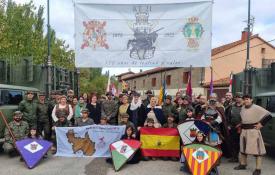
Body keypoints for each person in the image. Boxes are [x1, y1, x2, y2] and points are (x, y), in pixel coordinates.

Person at [234, 94, 272, 175]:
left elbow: (269, 115)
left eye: (247, 99)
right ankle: (243, 164)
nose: (246, 101)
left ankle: (258, 169)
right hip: (244, 131)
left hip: (253, 131)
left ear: (251, 100)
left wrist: (261, 124)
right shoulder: (243, 108)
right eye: (244, 99)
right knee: (243, 149)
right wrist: (240, 124)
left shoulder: (256, 107)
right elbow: (245, 118)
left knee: (257, 151)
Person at [226, 92, 243, 162]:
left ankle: (242, 158)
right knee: (232, 142)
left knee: (240, 143)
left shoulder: (245, 106)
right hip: (232, 127)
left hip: (242, 127)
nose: (238, 98)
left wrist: (241, 124)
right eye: (236, 97)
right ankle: (234, 157)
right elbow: (228, 117)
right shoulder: (231, 106)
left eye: (239, 97)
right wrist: (228, 125)